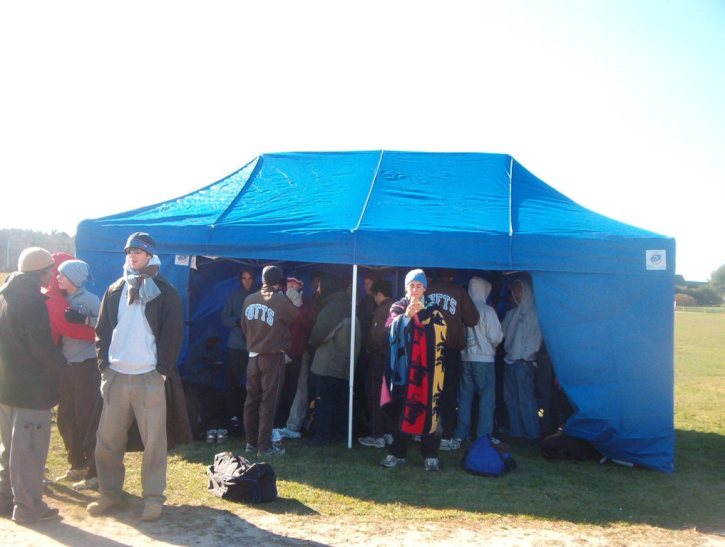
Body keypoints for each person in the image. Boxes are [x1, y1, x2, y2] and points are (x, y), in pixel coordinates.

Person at [87, 232, 184, 522]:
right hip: (116, 375)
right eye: (129, 250)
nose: (132, 255)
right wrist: (105, 367)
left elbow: (173, 334)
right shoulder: (115, 288)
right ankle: (110, 494)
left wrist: (161, 371)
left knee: (154, 443)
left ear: (151, 254)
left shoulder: (166, 291)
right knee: (107, 441)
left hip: (148, 377)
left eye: (138, 250)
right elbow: (102, 331)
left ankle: (153, 499)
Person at [0, 247, 67, 524]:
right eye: (50, 270)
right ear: (41, 272)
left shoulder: (5, 296)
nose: (52, 274)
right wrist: (61, 367)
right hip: (31, 391)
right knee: (28, 451)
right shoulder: (32, 301)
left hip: (6, 387)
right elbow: (40, 346)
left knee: (9, 448)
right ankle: (28, 508)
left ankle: (5, 498)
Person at [381, 269, 447, 472]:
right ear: (405, 287)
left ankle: (430, 455)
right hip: (404, 371)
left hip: (427, 372)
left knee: (430, 411)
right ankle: (397, 453)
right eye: (412, 285)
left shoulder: (434, 309)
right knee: (401, 411)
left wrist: (423, 324)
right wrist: (407, 318)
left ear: (425, 288)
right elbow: (389, 328)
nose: (415, 289)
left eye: (419, 286)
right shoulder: (398, 306)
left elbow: (441, 332)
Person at [241, 265, 299, 457]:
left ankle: (250, 443)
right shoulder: (279, 300)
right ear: (278, 282)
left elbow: (243, 326)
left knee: (251, 401)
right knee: (268, 402)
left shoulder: (249, 299)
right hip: (271, 357)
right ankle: (264, 447)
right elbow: (294, 315)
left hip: (252, 357)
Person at [54, 260, 102, 485]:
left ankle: (94, 471)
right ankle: (77, 464)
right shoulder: (60, 300)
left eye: (62, 275)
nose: (57, 278)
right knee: (65, 417)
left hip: (87, 366)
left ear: (75, 278)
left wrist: (84, 319)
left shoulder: (91, 300)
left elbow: (106, 326)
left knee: (86, 418)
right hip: (67, 365)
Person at [426, 270, 479, 450]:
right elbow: (473, 318)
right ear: (452, 275)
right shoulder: (458, 291)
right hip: (450, 349)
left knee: (428, 390)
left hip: (427, 348)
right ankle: (446, 435)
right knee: (448, 392)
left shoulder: (425, 289)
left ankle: (424, 431)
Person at [308, 274, 361, 446]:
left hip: (328, 363)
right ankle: (338, 434)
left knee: (324, 402)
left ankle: (322, 436)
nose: (318, 289)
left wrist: (310, 345)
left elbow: (318, 334)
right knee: (339, 402)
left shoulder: (333, 307)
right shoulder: (348, 304)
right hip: (345, 364)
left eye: (320, 286)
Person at [451, 277, 503, 447]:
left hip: (465, 358)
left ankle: (460, 434)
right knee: (486, 399)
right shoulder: (487, 311)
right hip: (484, 360)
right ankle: (483, 436)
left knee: (465, 398)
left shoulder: (463, 309)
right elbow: (496, 337)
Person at [501, 278, 543, 442]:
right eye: (514, 290)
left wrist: (527, 357)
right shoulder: (512, 313)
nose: (515, 293)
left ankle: (532, 434)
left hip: (524, 362)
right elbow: (502, 334)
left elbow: (535, 338)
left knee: (525, 399)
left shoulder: (534, 313)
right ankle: (516, 431)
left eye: (518, 290)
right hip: (510, 360)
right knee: (510, 398)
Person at [358, 279, 394, 448]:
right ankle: (387, 432)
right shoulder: (398, 308)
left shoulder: (381, 311)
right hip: (393, 360)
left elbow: (376, 338)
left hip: (379, 359)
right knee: (388, 397)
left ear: (379, 295)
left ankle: (376, 435)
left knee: (375, 396)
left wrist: (368, 348)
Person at [221, 268, 256, 434]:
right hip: (236, 346)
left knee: (252, 383)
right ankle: (235, 415)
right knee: (234, 382)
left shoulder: (259, 296)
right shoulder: (234, 296)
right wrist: (236, 321)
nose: (247, 281)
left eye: (249, 278)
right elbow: (224, 318)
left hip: (254, 346)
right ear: (240, 279)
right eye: (244, 278)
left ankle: (250, 416)